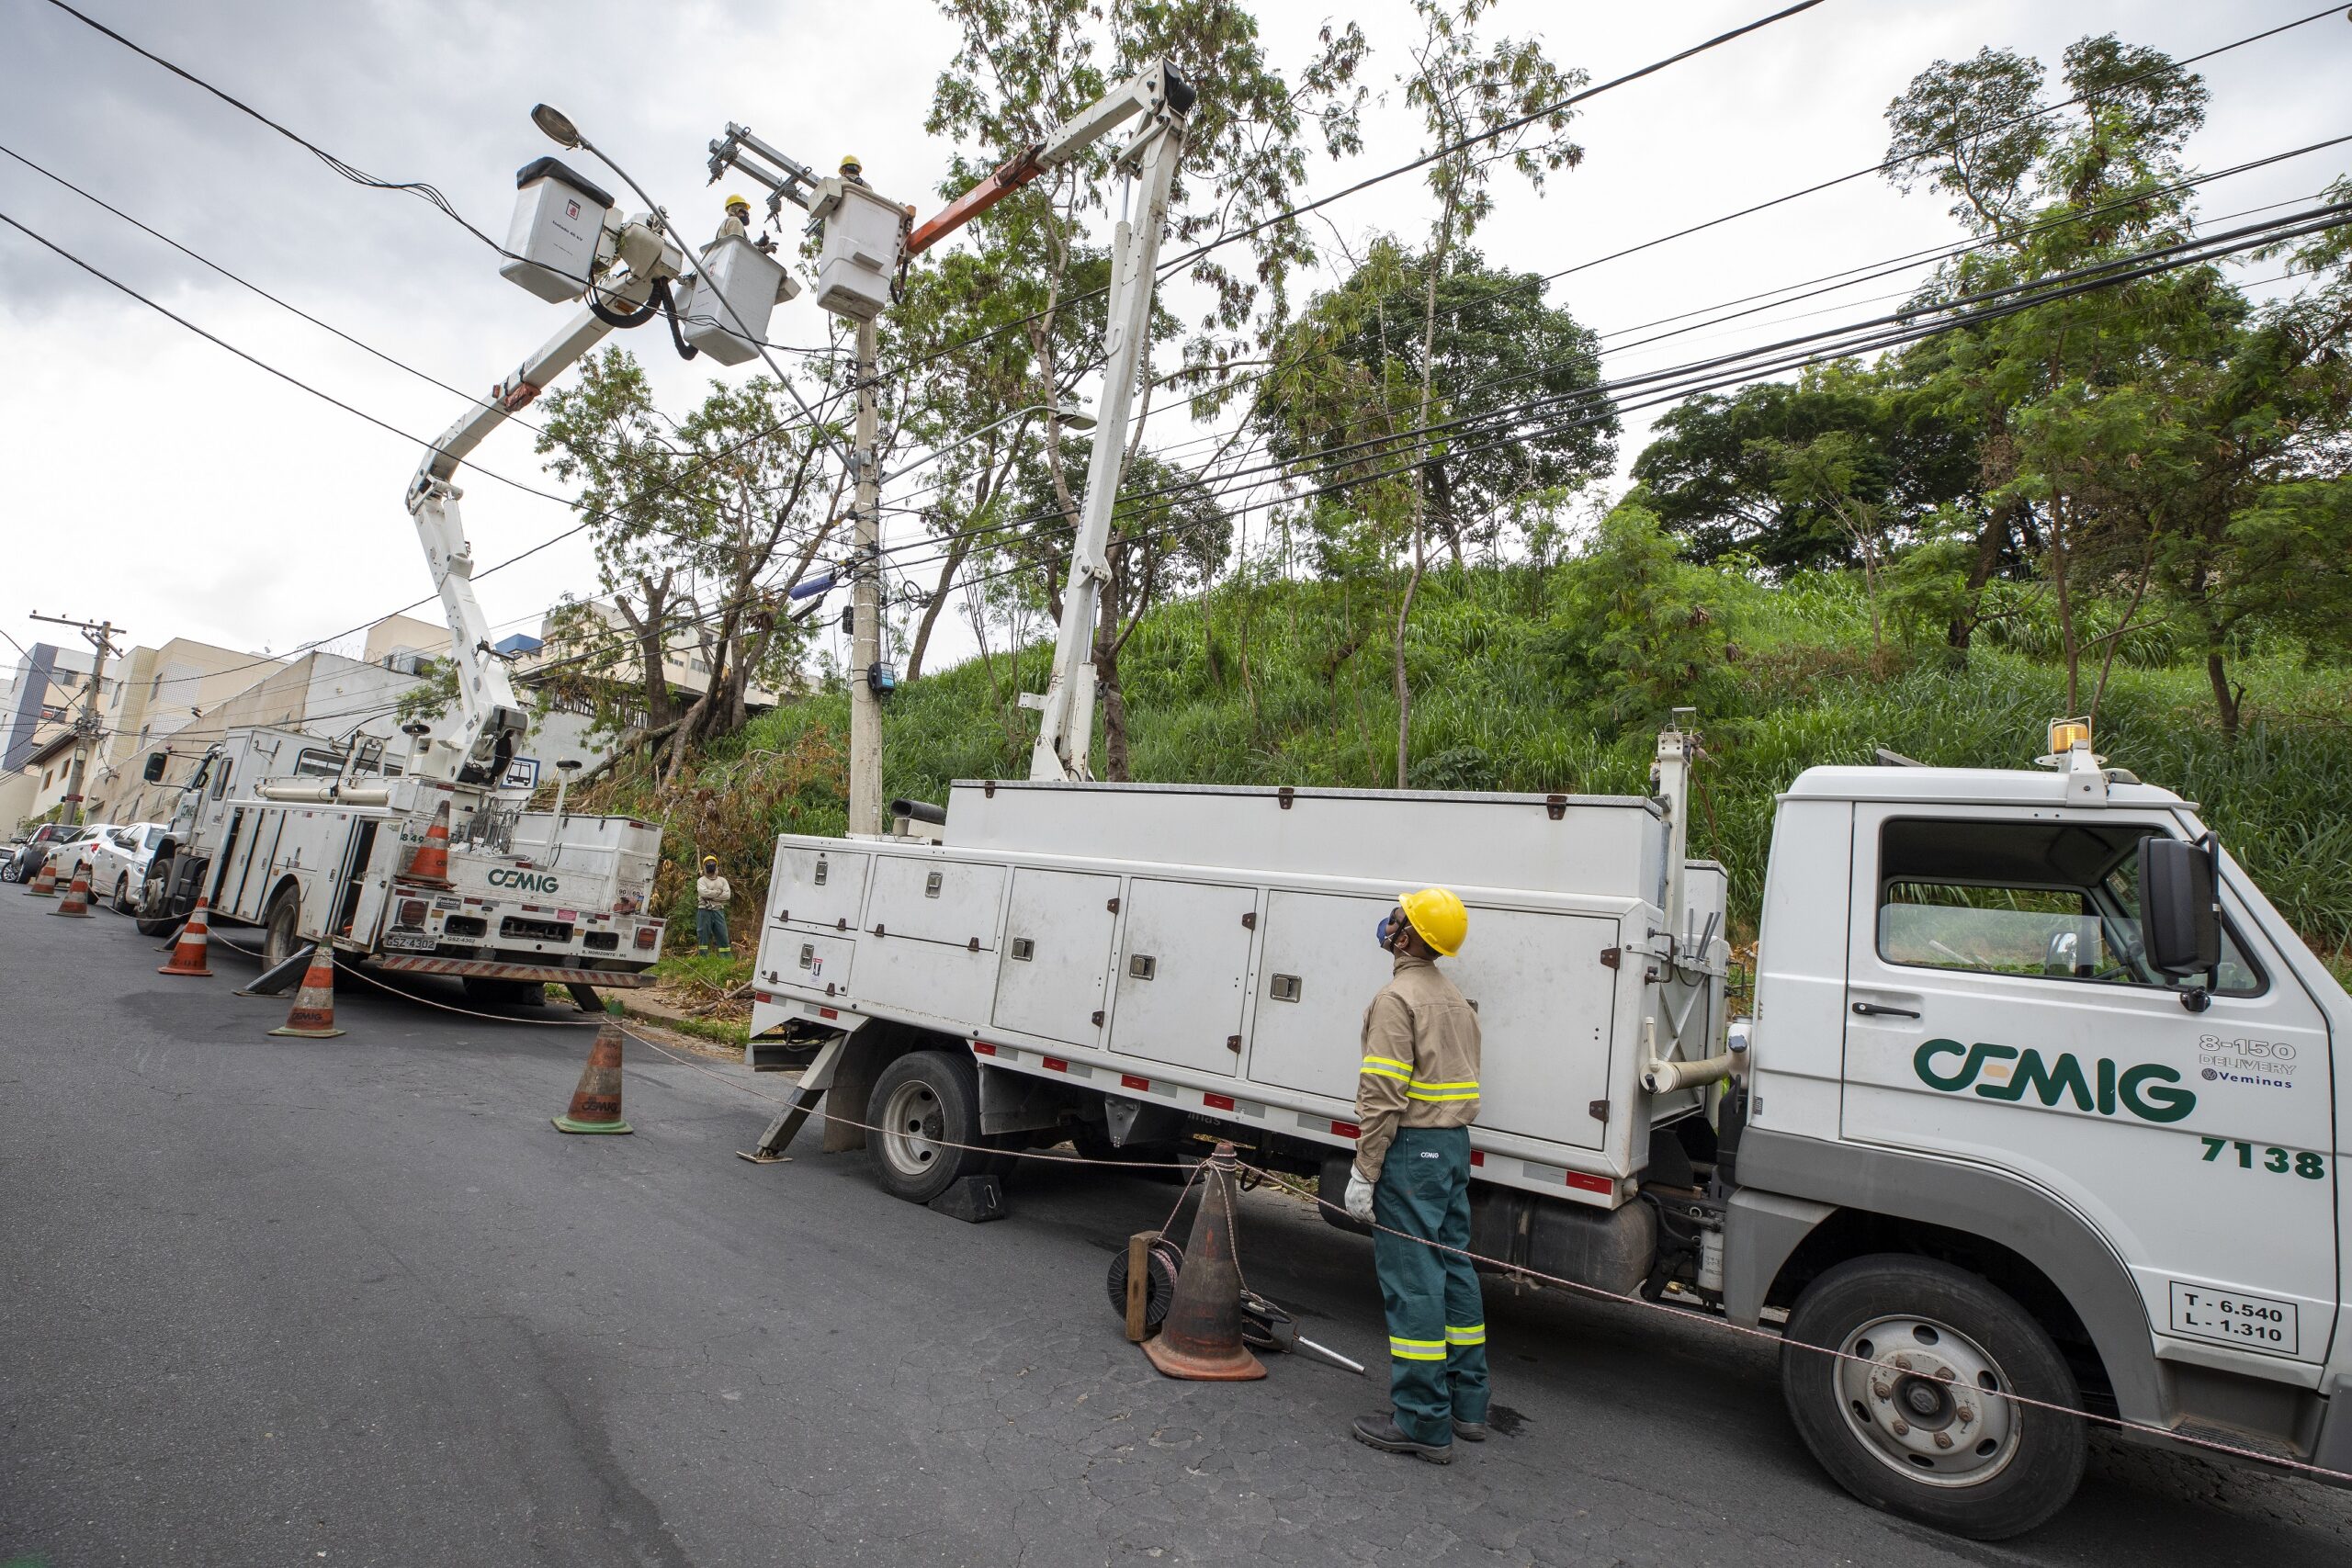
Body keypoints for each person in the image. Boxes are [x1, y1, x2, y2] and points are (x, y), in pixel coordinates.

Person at [1345, 886, 1487, 1464]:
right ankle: (1467, 1406)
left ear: (1409, 938)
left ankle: (1423, 1422)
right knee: (1453, 1266)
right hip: (1452, 1148)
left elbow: (1381, 1097)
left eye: (1398, 919)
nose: (1390, 923)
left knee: (1414, 1279)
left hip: (1411, 1151)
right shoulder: (1456, 1000)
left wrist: (1364, 1170)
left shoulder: (1396, 1000)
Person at [695, 855, 732, 955]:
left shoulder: (722, 881)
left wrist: (711, 896)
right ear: (704, 867)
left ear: (716, 867)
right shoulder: (701, 881)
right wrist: (718, 893)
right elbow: (703, 893)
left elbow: (727, 895)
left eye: (713, 864)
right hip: (704, 910)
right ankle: (703, 959)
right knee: (703, 935)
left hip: (718, 910)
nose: (711, 866)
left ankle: (726, 959)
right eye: (708, 864)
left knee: (723, 935)